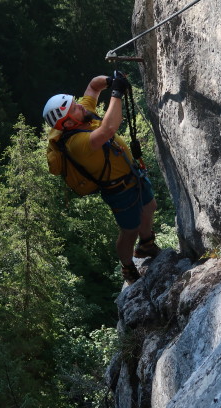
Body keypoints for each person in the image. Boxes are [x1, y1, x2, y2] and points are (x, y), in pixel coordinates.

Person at [42, 73, 160, 284]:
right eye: (75, 108)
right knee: (129, 230)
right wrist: (116, 92)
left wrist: (109, 81)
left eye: (76, 103)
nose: (81, 106)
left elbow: (93, 87)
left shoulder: (81, 115)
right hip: (118, 190)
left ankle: (146, 245)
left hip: (133, 174)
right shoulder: (75, 143)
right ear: (67, 123)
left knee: (149, 206)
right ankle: (128, 267)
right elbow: (108, 128)